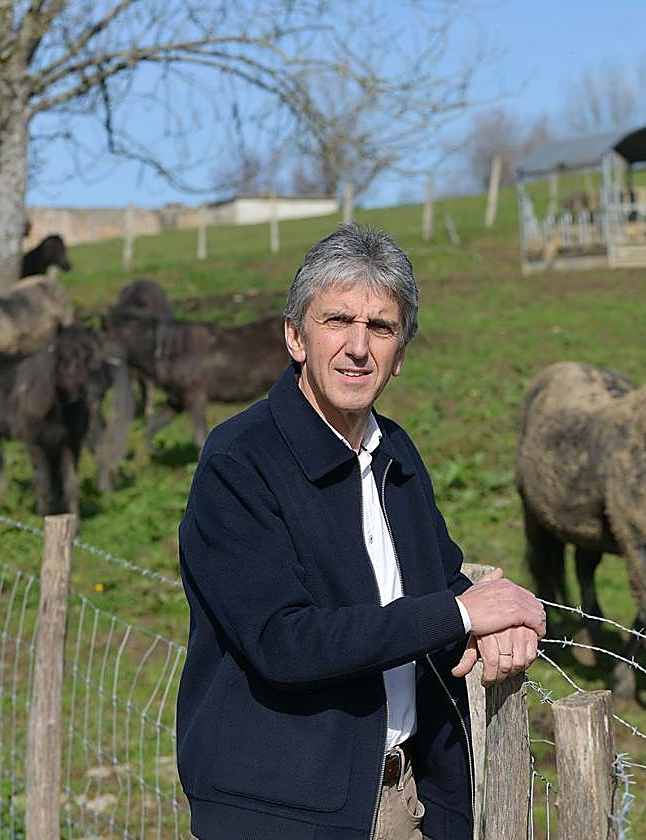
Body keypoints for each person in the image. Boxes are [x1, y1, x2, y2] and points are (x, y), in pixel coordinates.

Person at [176, 223, 546, 840]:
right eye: (337, 321)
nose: (358, 347)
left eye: (381, 328)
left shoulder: (395, 454)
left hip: (402, 801)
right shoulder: (240, 462)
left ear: (400, 355)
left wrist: (498, 627)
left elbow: (441, 584)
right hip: (281, 813)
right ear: (295, 336)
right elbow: (283, 641)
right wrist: (460, 616)